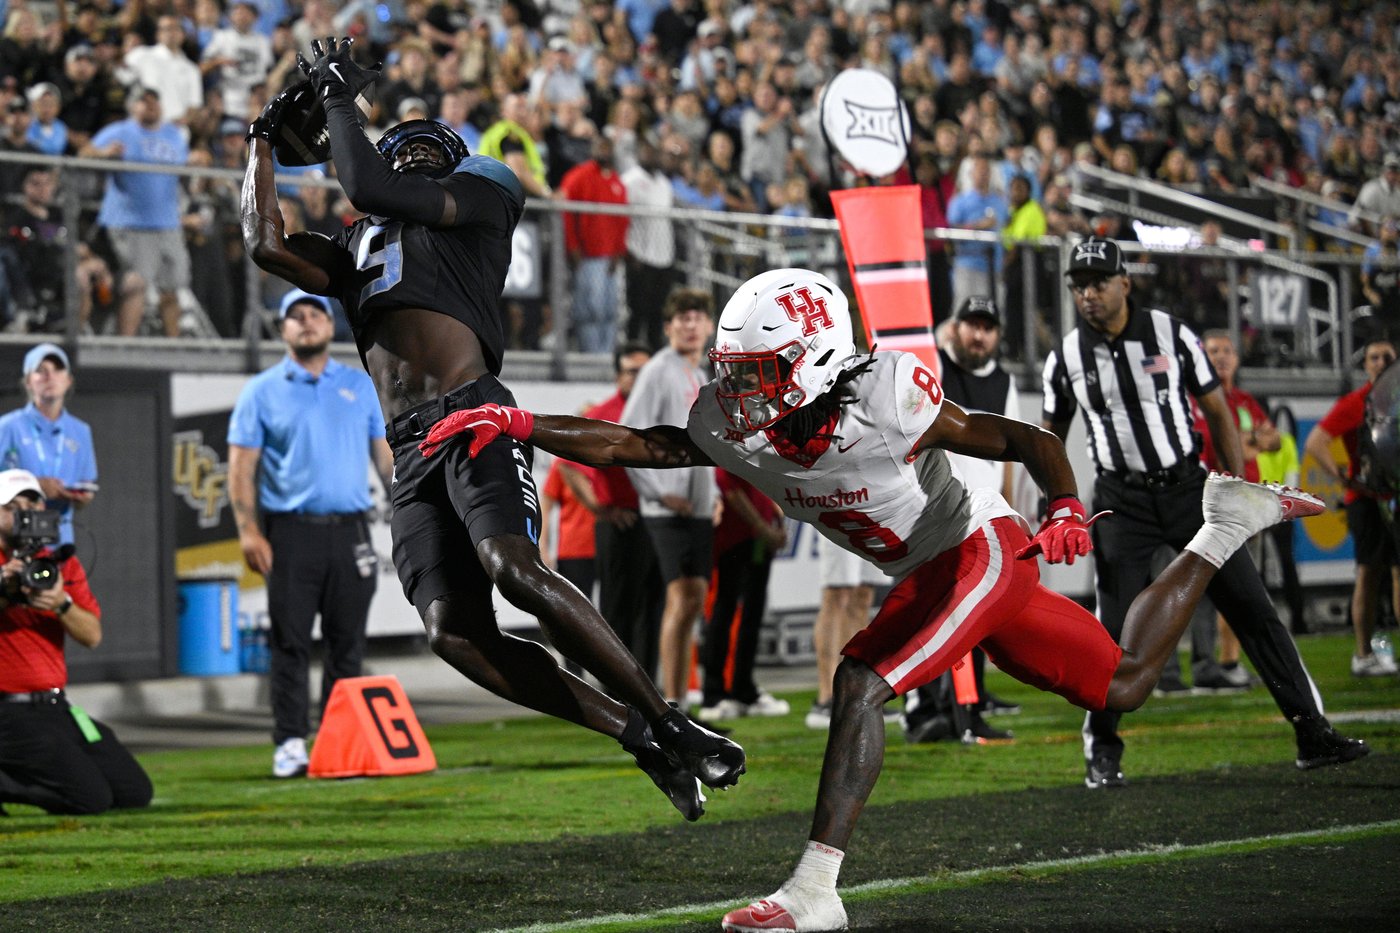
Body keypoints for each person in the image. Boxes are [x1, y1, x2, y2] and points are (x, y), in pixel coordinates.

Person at [422, 267, 1357, 933]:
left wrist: (1067, 503)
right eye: (735, 370)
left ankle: (816, 887)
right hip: (931, 573)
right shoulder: (733, 420)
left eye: (756, 371)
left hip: (980, 547)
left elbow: (1025, 437)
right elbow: (645, 446)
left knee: (862, 676)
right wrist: (522, 421)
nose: (733, 389)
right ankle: (1221, 529)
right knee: (1120, 686)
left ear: (818, 360)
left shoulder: (888, 394)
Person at [241, 37, 742, 818]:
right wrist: (262, 141)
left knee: (514, 568)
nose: (405, 157)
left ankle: (675, 720)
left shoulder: (482, 196)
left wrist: (338, 101)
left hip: (472, 410)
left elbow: (366, 179)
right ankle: (635, 731)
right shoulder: (355, 243)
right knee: (453, 632)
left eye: (418, 149)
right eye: (397, 147)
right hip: (407, 443)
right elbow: (264, 241)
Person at [1042, 238, 1364, 790]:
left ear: (1126, 283)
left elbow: (1216, 407)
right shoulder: (1066, 356)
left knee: (1251, 607)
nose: (1088, 294)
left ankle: (1312, 732)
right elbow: (1049, 437)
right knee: (1111, 627)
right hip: (1121, 501)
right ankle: (1102, 750)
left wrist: (1235, 489)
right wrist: (1061, 504)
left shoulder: (1172, 334)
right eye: (1078, 286)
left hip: (1190, 490)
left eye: (1097, 282)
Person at [227, 289, 395, 778]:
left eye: (315, 314)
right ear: (282, 329)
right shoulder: (262, 391)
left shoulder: (358, 385)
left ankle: (337, 739)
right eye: (294, 316)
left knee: (348, 644)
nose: (305, 322)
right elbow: (241, 469)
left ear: (329, 324)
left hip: (351, 531)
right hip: (290, 532)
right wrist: (248, 532)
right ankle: (289, 742)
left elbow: (384, 459)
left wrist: (406, 508)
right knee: (291, 641)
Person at [904, 296, 1023, 745]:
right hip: (935, 511)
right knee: (936, 614)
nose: (979, 335)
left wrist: (1008, 507)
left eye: (987, 327)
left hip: (983, 513)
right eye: (970, 325)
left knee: (973, 616)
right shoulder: (936, 369)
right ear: (954, 329)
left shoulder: (1004, 382)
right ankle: (927, 709)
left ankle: (965, 710)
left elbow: (1012, 448)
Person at [0, 469, 152, 815]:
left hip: (57, 706)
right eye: (12, 506)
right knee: (90, 797)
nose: (25, 512)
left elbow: (92, 635)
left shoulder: (59, 564)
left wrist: (60, 605)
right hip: (7, 709)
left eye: (31, 503)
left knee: (133, 791)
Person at [619, 287, 717, 708]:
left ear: (709, 326)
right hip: (668, 506)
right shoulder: (659, 370)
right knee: (679, 597)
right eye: (682, 318)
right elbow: (628, 435)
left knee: (693, 596)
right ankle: (672, 702)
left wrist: (713, 495)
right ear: (668, 327)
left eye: (697, 318)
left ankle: (682, 701)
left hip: (696, 503)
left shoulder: (700, 374)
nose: (690, 325)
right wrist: (660, 493)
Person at [1303, 338, 1400, 677]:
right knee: (1369, 573)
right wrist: (1342, 477)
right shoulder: (1356, 403)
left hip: (1393, 495)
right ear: (1366, 366)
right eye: (1374, 357)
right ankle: (1362, 654)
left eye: (1386, 356)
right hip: (1367, 498)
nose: (1380, 361)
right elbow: (1316, 442)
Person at [81, 86, 192, 338]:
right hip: (130, 223)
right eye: (144, 101)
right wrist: (103, 153)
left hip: (168, 223)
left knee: (173, 288)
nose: (150, 105)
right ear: (133, 106)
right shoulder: (119, 131)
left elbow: (184, 173)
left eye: (155, 101)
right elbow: (85, 152)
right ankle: (126, 344)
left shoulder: (174, 134)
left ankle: (172, 345)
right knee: (136, 287)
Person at [586, 343, 665, 680]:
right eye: (633, 371)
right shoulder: (602, 413)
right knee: (617, 609)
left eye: (645, 370)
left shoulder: (659, 413)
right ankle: (616, 688)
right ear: (618, 375)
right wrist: (601, 509)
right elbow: (567, 467)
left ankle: (647, 688)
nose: (640, 377)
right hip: (621, 524)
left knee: (653, 607)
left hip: (656, 521)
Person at [697, 469, 789, 721]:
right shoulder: (727, 442)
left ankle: (743, 689)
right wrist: (763, 527)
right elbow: (730, 489)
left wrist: (777, 519)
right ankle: (713, 693)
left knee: (752, 614)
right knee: (724, 612)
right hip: (734, 538)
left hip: (758, 537)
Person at [0, 344, 98, 547]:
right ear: (28, 381)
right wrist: (36, 486)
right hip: (14, 542)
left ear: (68, 379)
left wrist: (81, 497)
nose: (49, 376)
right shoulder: (7, 427)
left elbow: (86, 486)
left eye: (57, 369)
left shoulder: (81, 431)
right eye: (40, 370)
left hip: (60, 540)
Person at [558, 135, 630, 353]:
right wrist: (573, 248)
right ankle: (590, 355)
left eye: (608, 147)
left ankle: (606, 356)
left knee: (610, 311)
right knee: (590, 311)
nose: (604, 152)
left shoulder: (617, 181)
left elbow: (623, 220)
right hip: (588, 257)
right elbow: (567, 215)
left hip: (611, 259)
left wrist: (619, 251)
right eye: (600, 147)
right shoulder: (579, 176)